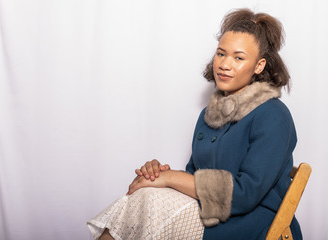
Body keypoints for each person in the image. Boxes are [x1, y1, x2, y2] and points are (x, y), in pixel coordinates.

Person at [87, 8, 302, 240]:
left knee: (147, 201)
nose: (225, 64)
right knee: (146, 194)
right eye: (221, 54)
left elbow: (244, 195)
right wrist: (159, 174)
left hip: (251, 224)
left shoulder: (273, 115)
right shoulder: (210, 114)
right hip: (209, 214)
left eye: (238, 58)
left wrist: (170, 179)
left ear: (259, 66)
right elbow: (194, 175)